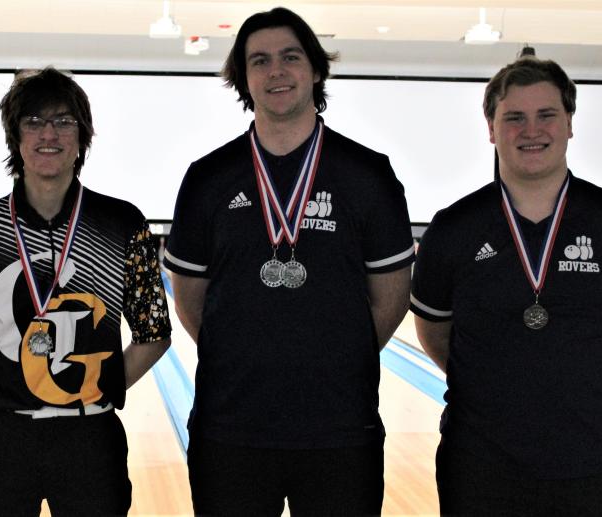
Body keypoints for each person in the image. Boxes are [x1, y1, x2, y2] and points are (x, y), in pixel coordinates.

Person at [163, 7, 414, 515]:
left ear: (315, 69)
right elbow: (192, 303)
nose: (276, 71)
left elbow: (391, 298)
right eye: (259, 60)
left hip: (341, 429)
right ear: (244, 79)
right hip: (229, 427)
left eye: (290, 57)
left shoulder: (369, 175)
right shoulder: (207, 179)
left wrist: (336, 351)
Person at [410, 56, 602, 515]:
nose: (532, 130)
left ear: (569, 123)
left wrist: (592, 377)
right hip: (480, 468)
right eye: (514, 118)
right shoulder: (453, 230)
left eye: (546, 115)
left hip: (596, 463)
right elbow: (434, 332)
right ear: (491, 128)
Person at [0, 67, 172, 516]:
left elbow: (154, 333)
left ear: (83, 136)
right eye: (34, 122)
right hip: (2, 439)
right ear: (15, 137)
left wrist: (98, 387)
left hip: (90, 440)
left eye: (64, 121)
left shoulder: (122, 224)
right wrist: (14, 384)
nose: (50, 134)